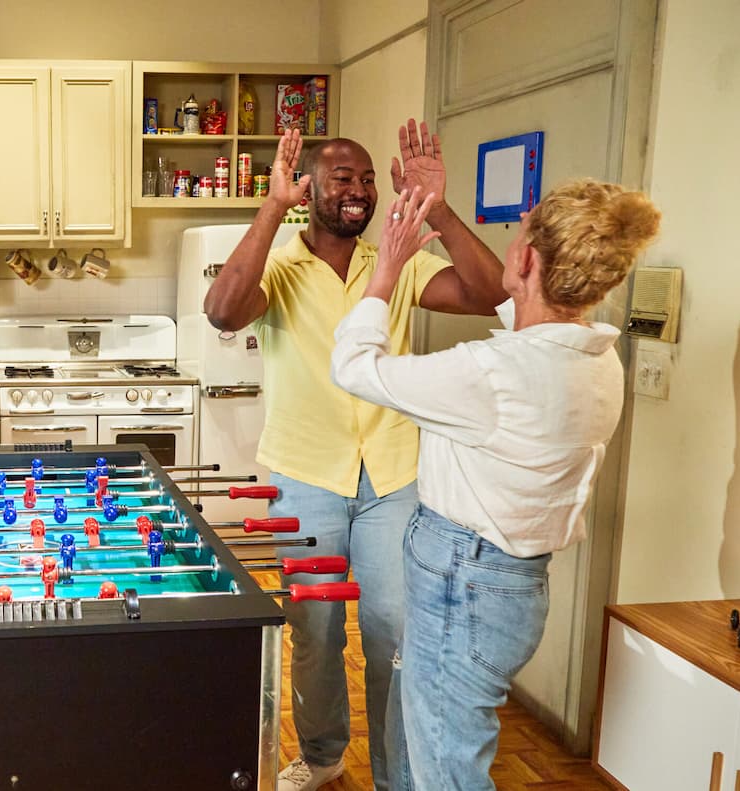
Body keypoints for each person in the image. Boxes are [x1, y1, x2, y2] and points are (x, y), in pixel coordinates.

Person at [203, 121, 509, 791]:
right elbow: (223, 312)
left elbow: (492, 294)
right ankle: (321, 754)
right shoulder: (280, 268)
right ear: (309, 186)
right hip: (307, 474)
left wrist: (439, 208)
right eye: (343, 178)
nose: (360, 191)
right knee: (314, 627)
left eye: (368, 179)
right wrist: (272, 206)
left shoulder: (394, 263)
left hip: (393, 476)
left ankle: (398, 776)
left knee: (394, 631)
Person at [331, 180, 660, 790]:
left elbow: (353, 366)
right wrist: (441, 210)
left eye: (517, 235)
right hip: (509, 587)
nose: (509, 244)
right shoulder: (594, 358)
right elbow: (521, 315)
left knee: (447, 770)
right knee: (438, 745)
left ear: (527, 260)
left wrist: (390, 270)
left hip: (465, 584)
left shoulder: (493, 373)